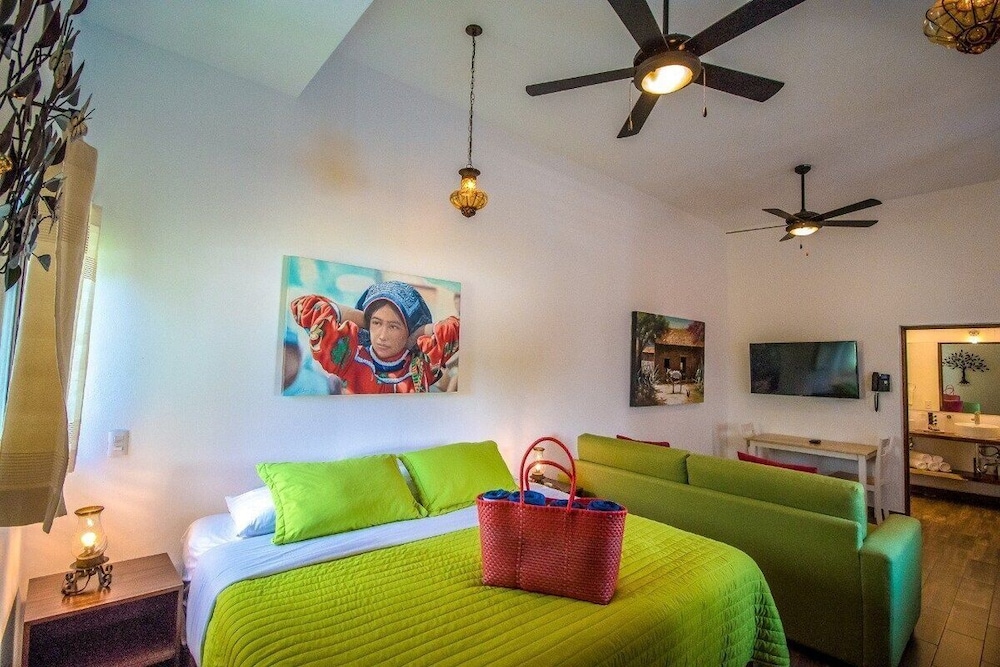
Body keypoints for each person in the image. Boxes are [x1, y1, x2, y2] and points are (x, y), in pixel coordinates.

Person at [290, 280, 459, 394]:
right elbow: (304, 306)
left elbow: (459, 328)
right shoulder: (349, 359)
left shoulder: (421, 365)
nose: (382, 336)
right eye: (377, 323)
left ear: (408, 329)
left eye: (394, 326)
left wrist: (418, 333)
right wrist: (363, 319)